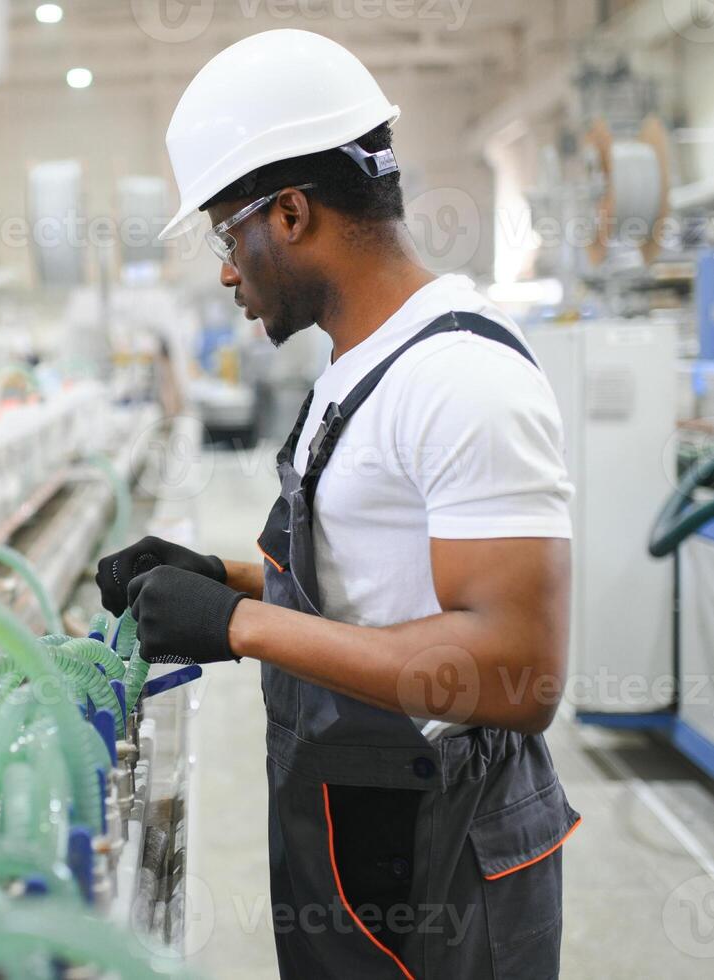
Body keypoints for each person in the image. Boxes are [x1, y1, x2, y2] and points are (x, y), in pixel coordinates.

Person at [98, 29, 579, 980]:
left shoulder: (460, 378)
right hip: (349, 812)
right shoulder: (353, 365)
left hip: (440, 843)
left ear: (288, 213)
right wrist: (216, 579)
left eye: (224, 235)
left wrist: (239, 626)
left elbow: (519, 674)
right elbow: (375, 587)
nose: (226, 270)